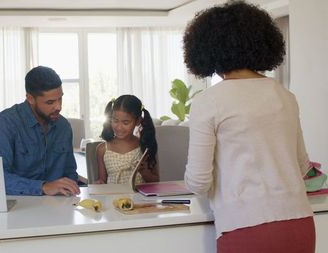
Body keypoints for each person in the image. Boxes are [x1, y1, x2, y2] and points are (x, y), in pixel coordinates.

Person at [183, 2, 315, 252]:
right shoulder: (284, 95)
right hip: (300, 221)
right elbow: (302, 166)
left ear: (206, 50)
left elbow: (198, 182)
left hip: (246, 226)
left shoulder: (208, 102)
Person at [0, 66, 80, 196]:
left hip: (59, 207)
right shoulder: (3, 125)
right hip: (18, 206)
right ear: (30, 98)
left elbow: (69, 173)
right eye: (50, 102)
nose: (58, 106)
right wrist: (43, 187)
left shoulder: (63, 126)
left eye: (60, 98)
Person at [94, 95, 159, 184]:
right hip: (113, 197)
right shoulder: (102, 149)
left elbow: (156, 181)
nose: (119, 127)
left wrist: (145, 173)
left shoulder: (144, 145)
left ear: (137, 121)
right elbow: (102, 180)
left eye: (125, 123)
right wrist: (99, 183)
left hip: (139, 197)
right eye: (115, 121)